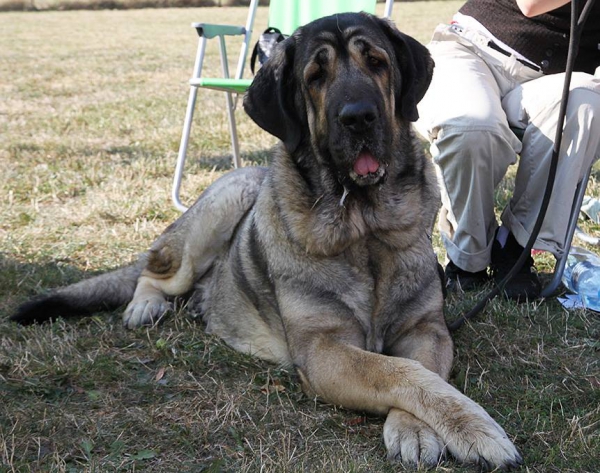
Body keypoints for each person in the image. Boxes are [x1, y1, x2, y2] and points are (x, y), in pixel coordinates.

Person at [415, 0, 600, 301]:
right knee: (472, 129)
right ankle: (468, 259)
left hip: (550, 81)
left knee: (586, 106)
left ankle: (515, 248)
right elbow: (531, 4)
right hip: (473, 50)